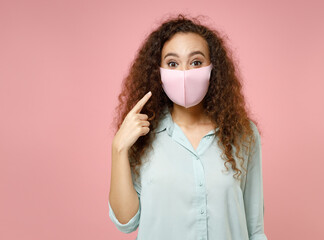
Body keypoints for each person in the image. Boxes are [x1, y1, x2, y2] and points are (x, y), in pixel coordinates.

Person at [108, 13, 268, 240]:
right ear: (159, 72)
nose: (184, 73)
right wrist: (119, 149)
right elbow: (126, 222)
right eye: (172, 63)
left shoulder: (243, 133)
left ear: (213, 69)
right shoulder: (140, 134)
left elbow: (255, 229)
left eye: (196, 62)